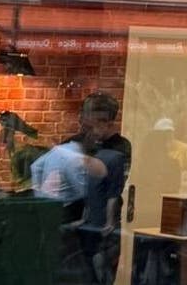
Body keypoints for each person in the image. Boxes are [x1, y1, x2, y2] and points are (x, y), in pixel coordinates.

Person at [32, 93, 131, 285]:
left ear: (108, 121)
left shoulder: (120, 148)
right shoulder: (75, 142)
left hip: (100, 223)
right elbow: (44, 170)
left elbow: (113, 189)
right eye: (86, 120)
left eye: (96, 121)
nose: (88, 126)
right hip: (72, 220)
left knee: (98, 273)